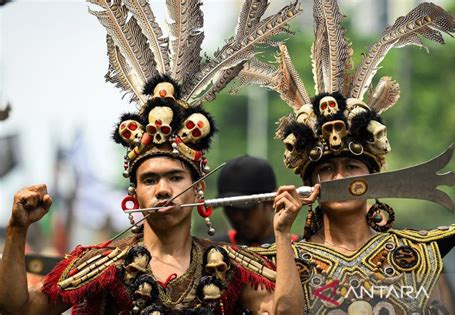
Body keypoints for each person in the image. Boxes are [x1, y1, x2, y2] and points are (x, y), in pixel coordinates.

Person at [0, 0, 307, 313]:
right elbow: (19, 309)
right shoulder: (99, 265)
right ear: (134, 194)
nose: (163, 189)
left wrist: (282, 234)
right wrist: (16, 230)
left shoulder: (230, 267)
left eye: (175, 177)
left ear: (199, 188)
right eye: (150, 179)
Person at [235, 0, 455, 313]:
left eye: (352, 166)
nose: (341, 177)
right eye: (328, 169)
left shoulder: (416, 254)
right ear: (310, 184)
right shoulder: (279, 262)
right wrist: (281, 233)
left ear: (373, 177)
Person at [214, 155, 298, 246]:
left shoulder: (300, 250)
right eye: (230, 208)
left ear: (272, 200)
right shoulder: (213, 249)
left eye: (245, 208)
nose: (237, 217)